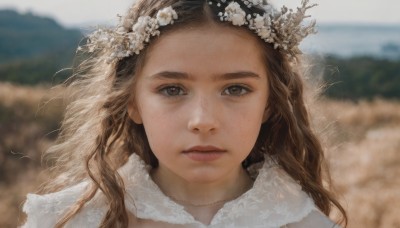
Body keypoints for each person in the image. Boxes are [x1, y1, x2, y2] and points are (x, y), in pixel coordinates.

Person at [22, 0, 347, 227]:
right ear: (132, 102)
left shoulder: (301, 222)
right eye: (172, 90)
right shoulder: (68, 220)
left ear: (271, 103)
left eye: (235, 89)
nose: (203, 121)